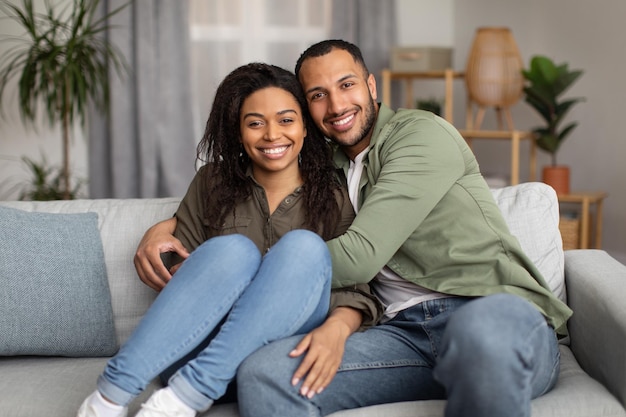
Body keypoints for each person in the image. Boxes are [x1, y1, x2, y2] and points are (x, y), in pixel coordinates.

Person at [135, 40, 573, 417]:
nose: (338, 105)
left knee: (479, 334)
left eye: (346, 85)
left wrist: (259, 277)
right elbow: (257, 176)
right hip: (401, 336)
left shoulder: (419, 135)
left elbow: (361, 255)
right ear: (306, 110)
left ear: (371, 85)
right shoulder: (326, 164)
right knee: (267, 374)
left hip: (490, 310)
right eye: (318, 95)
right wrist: (167, 224)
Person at [77, 62, 382, 417]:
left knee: (304, 248)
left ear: (304, 128)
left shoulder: (333, 192)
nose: (272, 135)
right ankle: (105, 401)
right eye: (255, 123)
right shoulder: (213, 181)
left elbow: (357, 291)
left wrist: (335, 331)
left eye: (286, 120)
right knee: (232, 250)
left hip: (281, 357)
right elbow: (183, 271)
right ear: (237, 132)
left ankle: (181, 401)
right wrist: (167, 230)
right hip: (198, 350)